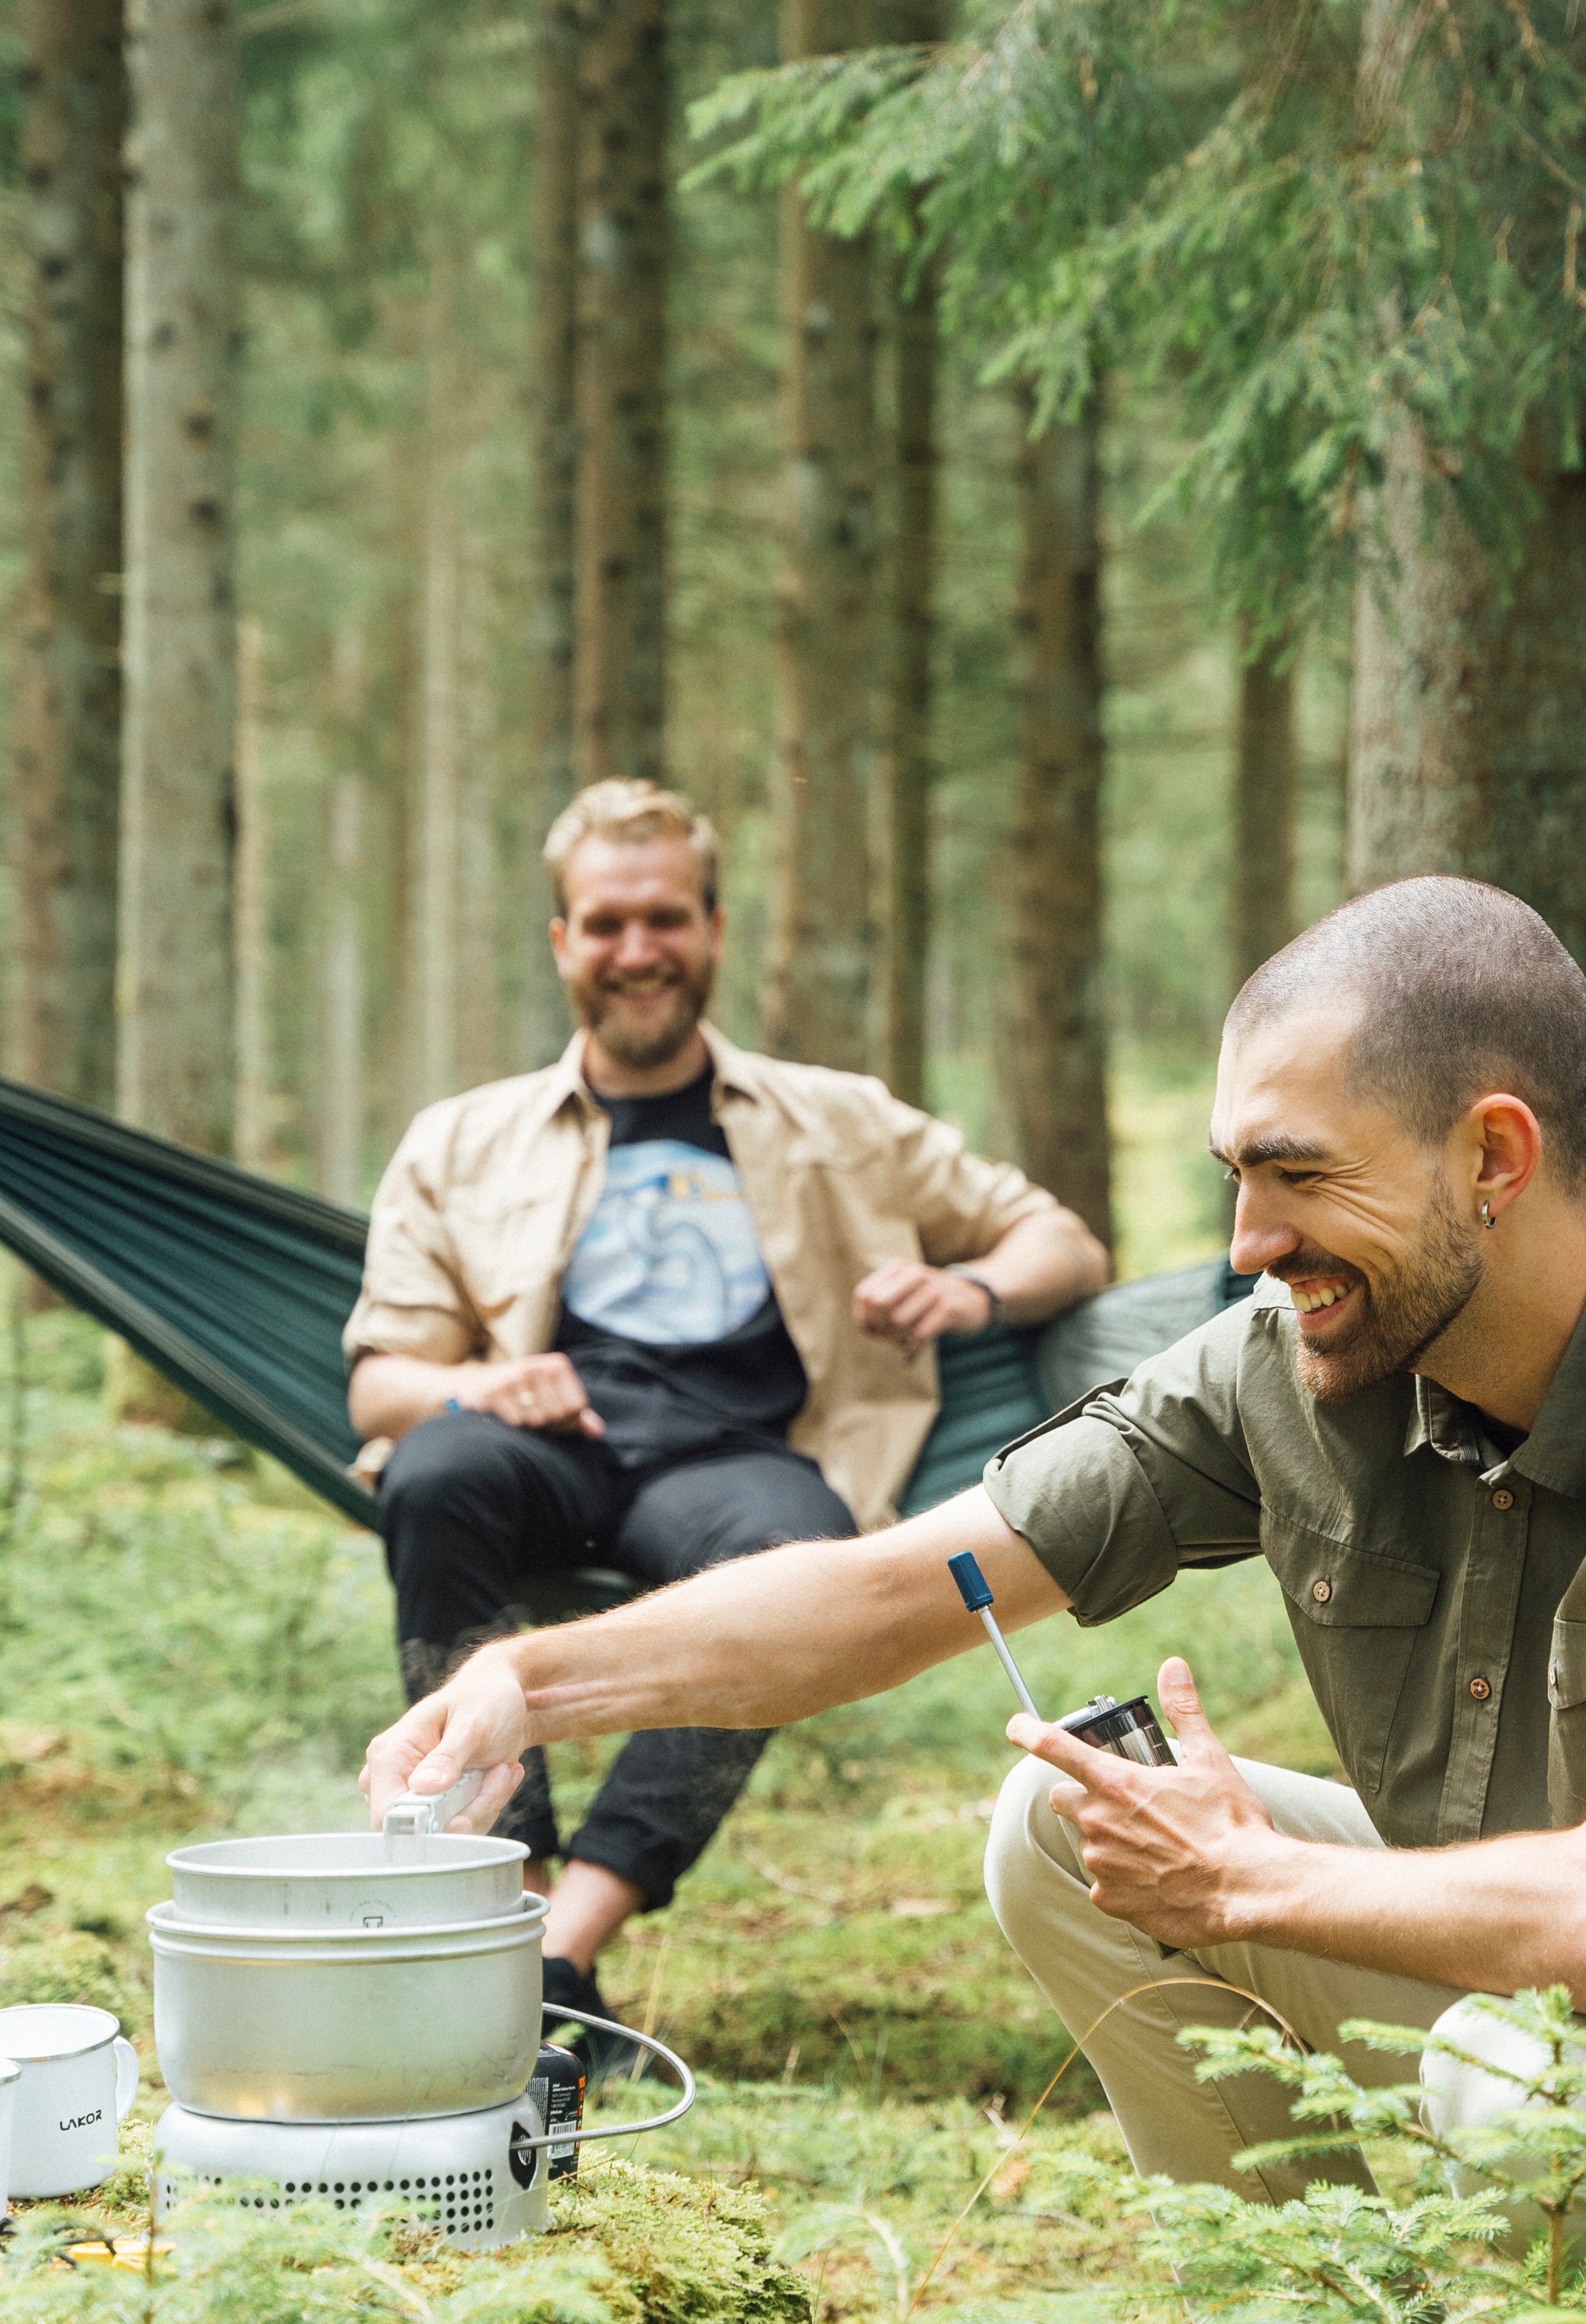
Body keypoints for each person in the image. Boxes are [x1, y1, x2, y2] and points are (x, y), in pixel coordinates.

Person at [361, 875, 1586, 2324]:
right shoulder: (1298, 1359)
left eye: (1301, 1179)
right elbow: (899, 1586)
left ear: (1493, 1155)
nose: (1247, 1246)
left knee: (1534, 2074)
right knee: (1065, 1830)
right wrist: (534, 1681)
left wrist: (1250, 1875)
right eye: (1238, 1177)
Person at [344, 775, 1110, 2032]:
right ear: (561, 943)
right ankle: (503, 1907)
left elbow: (1059, 1244)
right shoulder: (461, 1142)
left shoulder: (839, 1119)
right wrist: (483, 1383)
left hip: (741, 1458)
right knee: (434, 1471)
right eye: (603, 924)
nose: (635, 950)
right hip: (548, 1445)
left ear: (709, 929)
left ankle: (565, 1958)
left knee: (788, 1560)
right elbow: (381, 1382)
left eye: (664, 919)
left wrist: (965, 1291)